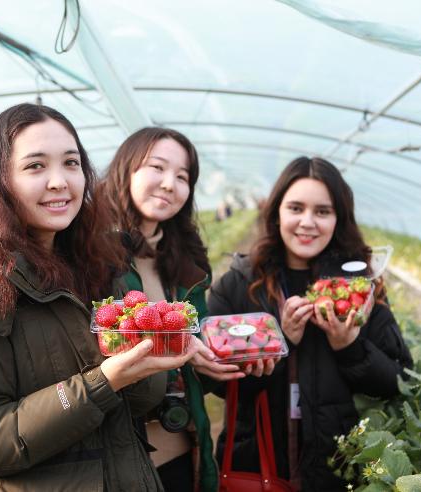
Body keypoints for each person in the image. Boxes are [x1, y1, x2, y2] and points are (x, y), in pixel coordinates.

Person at [0, 104, 204, 491]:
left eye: (71, 163)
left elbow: (132, 406)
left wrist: (151, 361)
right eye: (35, 166)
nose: (60, 181)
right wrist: (103, 382)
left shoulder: (96, 266)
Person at [207, 156, 413, 491]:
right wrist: (279, 342)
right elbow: (216, 382)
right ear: (276, 212)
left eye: (322, 211)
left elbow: (398, 382)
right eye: (296, 208)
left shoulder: (358, 288)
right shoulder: (239, 284)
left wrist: (350, 348)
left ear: (338, 219)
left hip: (338, 469)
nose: (307, 222)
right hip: (258, 465)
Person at [97, 127, 244, 492]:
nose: (169, 184)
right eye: (157, 168)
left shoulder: (186, 264)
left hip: (180, 450)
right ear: (125, 170)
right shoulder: (89, 254)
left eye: (183, 177)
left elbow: (193, 364)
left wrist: (219, 361)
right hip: (114, 463)